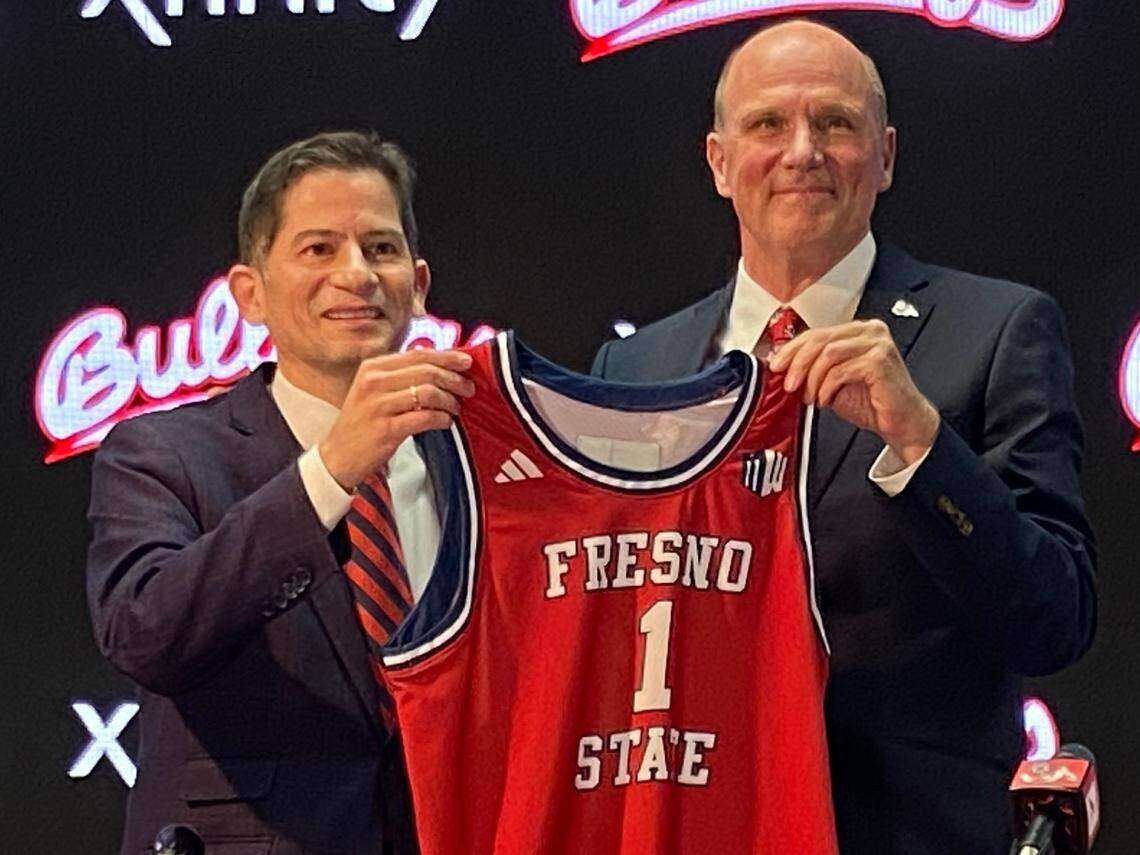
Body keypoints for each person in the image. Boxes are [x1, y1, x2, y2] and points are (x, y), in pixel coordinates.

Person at [591, 20, 1096, 854]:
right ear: (718, 161)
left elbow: (1055, 619)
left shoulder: (996, 329)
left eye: (835, 123)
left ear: (886, 154)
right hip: (685, 826)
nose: (802, 151)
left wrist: (922, 443)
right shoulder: (632, 367)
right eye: (767, 124)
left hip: (908, 832)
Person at [86, 131, 474, 854]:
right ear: (250, 294)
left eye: (381, 249)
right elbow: (147, 631)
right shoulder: (160, 453)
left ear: (418, 285)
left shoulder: (480, 463)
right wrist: (328, 472)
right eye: (318, 249)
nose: (356, 274)